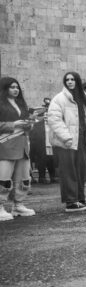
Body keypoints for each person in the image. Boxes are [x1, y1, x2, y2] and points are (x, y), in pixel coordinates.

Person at [47, 72, 86, 212]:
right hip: (66, 142)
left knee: (81, 170)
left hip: (81, 140)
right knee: (68, 171)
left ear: (77, 81)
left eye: (73, 79)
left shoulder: (82, 98)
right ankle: (71, 202)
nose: (70, 82)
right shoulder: (59, 99)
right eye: (67, 80)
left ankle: (80, 198)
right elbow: (54, 119)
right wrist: (66, 137)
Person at [0, 77, 35, 220]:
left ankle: (18, 205)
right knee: (4, 178)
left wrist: (29, 124)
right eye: (12, 87)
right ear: (5, 88)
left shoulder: (21, 104)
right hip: (6, 146)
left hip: (23, 146)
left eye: (17, 87)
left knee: (23, 178)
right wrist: (14, 124)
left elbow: (27, 126)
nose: (16, 90)